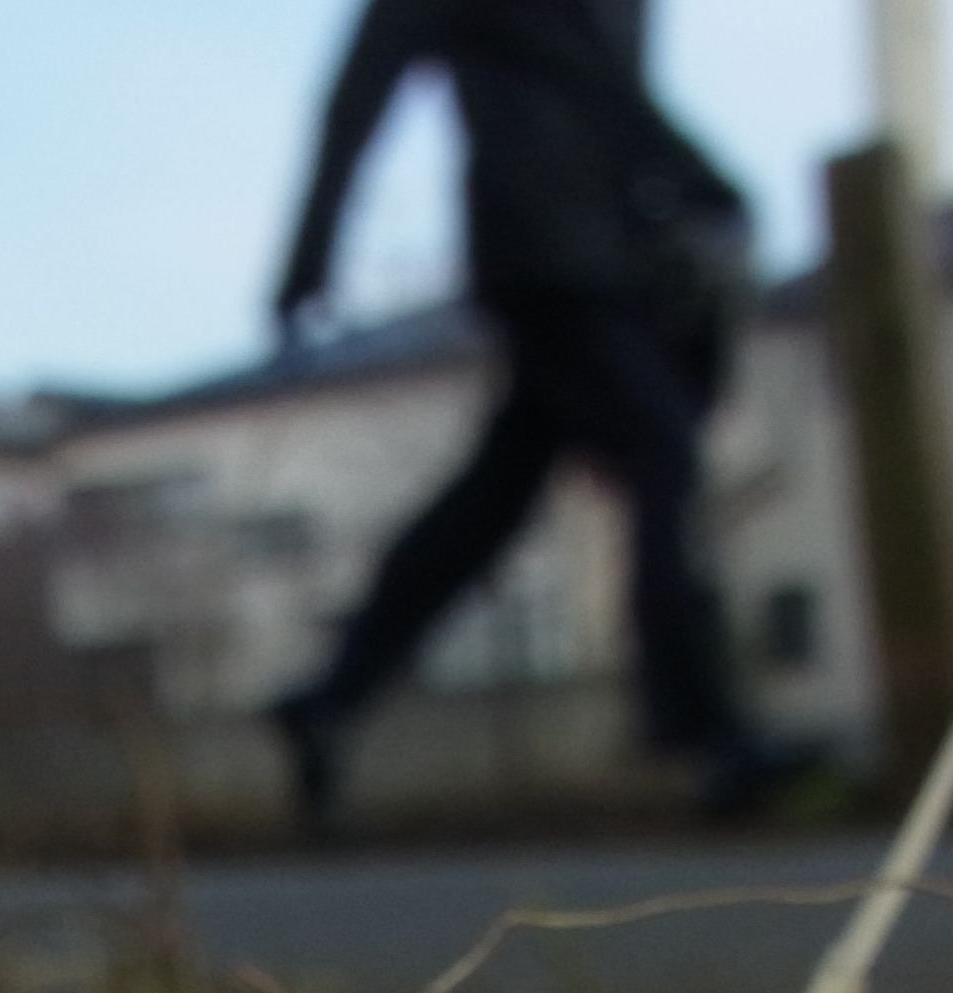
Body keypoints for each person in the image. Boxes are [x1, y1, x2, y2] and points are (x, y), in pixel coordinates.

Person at [266, 0, 811, 826]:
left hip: (613, 260)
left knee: (493, 499)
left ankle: (329, 700)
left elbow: (615, 93)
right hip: (542, 254)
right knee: (663, 451)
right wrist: (309, 256)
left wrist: (706, 191)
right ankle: (709, 736)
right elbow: (361, 90)